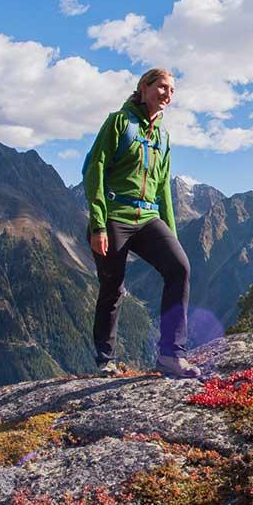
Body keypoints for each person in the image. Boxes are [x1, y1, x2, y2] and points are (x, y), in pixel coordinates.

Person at [83, 68, 199, 378]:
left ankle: (171, 355)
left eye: (171, 90)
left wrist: (171, 234)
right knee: (112, 288)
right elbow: (95, 170)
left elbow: (163, 190)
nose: (167, 94)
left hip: (148, 218)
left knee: (180, 268)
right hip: (115, 217)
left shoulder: (162, 137)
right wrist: (98, 224)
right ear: (143, 88)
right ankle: (105, 359)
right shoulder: (120, 123)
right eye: (161, 87)